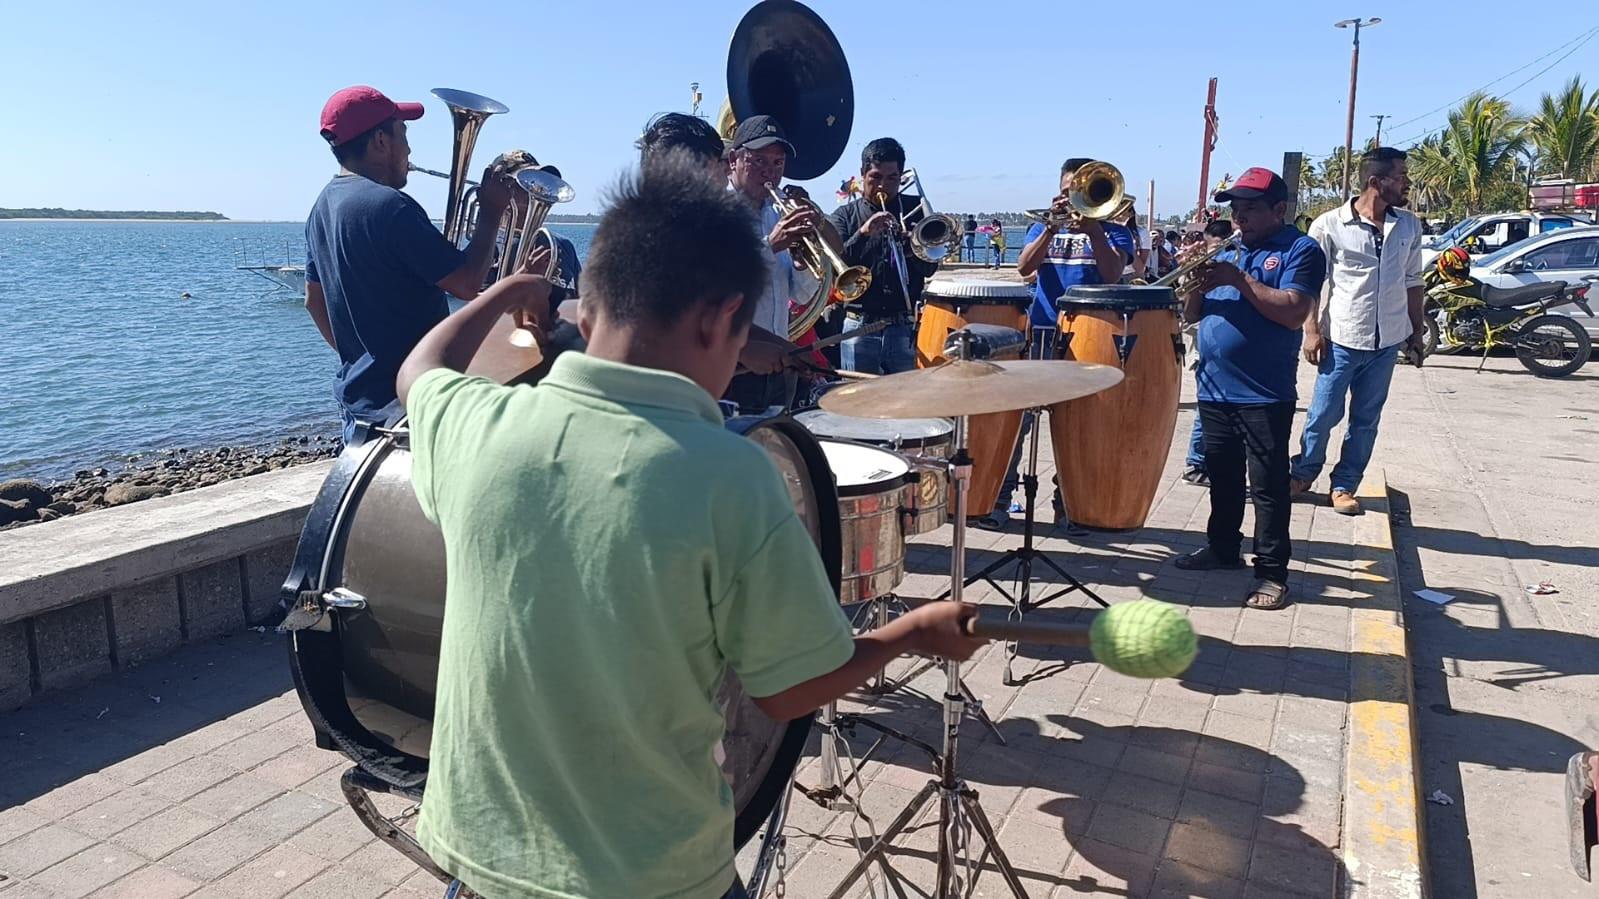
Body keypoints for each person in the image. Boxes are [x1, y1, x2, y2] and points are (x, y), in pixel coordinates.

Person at [396, 154, 982, 899]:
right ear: (715, 319)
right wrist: (916, 631)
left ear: (593, 301)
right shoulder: (733, 479)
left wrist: (510, 290)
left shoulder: (482, 422)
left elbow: (419, 370)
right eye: (740, 344)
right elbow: (791, 689)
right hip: (646, 873)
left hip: (480, 857)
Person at [304, 85, 516, 446]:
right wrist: (492, 212)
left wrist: (362, 359)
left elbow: (314, 302)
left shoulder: (322, 206)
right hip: (410, 407)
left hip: (359, 405)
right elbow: (466, 284)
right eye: (403, 134)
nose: (410, 149)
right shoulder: (389, 205)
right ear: (381, 142)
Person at [1172, 167, 1325, 610]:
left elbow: (1294, 311)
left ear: (1279, 209)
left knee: (1268, 487)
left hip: (1263, 393)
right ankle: (1222, 549)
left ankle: (1273, 573)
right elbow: (1191, 316)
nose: (1240, 217)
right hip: (1215, 389)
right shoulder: (1231, 249)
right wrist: (1193, 280)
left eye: (1251, 209)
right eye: (1236, 209)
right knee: (1221, 478)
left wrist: (1238, 280)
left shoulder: (1301, 249)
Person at [978, 158, 1134, 529]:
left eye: (1080, 192)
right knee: (1018, 422)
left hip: (1091, 337)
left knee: (1081, 425)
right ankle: (1000, 500)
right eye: (1067, 192)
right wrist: (1050, 227)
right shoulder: (1041, 227)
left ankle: (1070, 504)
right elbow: (1023, 267)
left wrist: (1093, 228)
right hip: (1044, 331)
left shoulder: (1115, 230)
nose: (1073, 199)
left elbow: (1113, 274)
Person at [1291, 147, 1425, 515]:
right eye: (1400, 177)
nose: (1406, 183)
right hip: (1342, 339)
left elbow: (1414, 281)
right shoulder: (1329, 225)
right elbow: (1312, 282)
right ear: (1375, 181)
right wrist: (1311, 330)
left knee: (1366, 420)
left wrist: (1416, 331)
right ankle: (1302, 473)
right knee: (1322, 414)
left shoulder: (1409, 226)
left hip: (1387, 342)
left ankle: (1345, 485)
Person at [724, 115, 829, 411]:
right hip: (733, 368)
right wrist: (770, 245)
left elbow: (800, 295)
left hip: (779, 368)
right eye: (758, 161)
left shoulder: (778, 213)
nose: (768, 172)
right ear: (734, 159)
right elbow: (716, 283)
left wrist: (802, 263)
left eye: (777, 163)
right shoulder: (714, 212)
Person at [828, 138, 940, 374]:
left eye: (892, 178)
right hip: (858, 325)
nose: (883, 186)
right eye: (875, 177)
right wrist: (863, 233)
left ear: (901, 177)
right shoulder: (844, 215)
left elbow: (930, 268)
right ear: (862, 174)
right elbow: (835, 265)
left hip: (904, 326)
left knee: (904, 406)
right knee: (857, 405)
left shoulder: (915, 209)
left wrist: (911, 245)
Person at [1181, 218, 1237, 486]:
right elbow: (1189, 310)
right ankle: (1195, 463)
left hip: (1217, 341)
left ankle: (1203, 462)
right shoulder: (1210, 259)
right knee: (1208, 404)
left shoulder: (1232, 260)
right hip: (1205, 340)